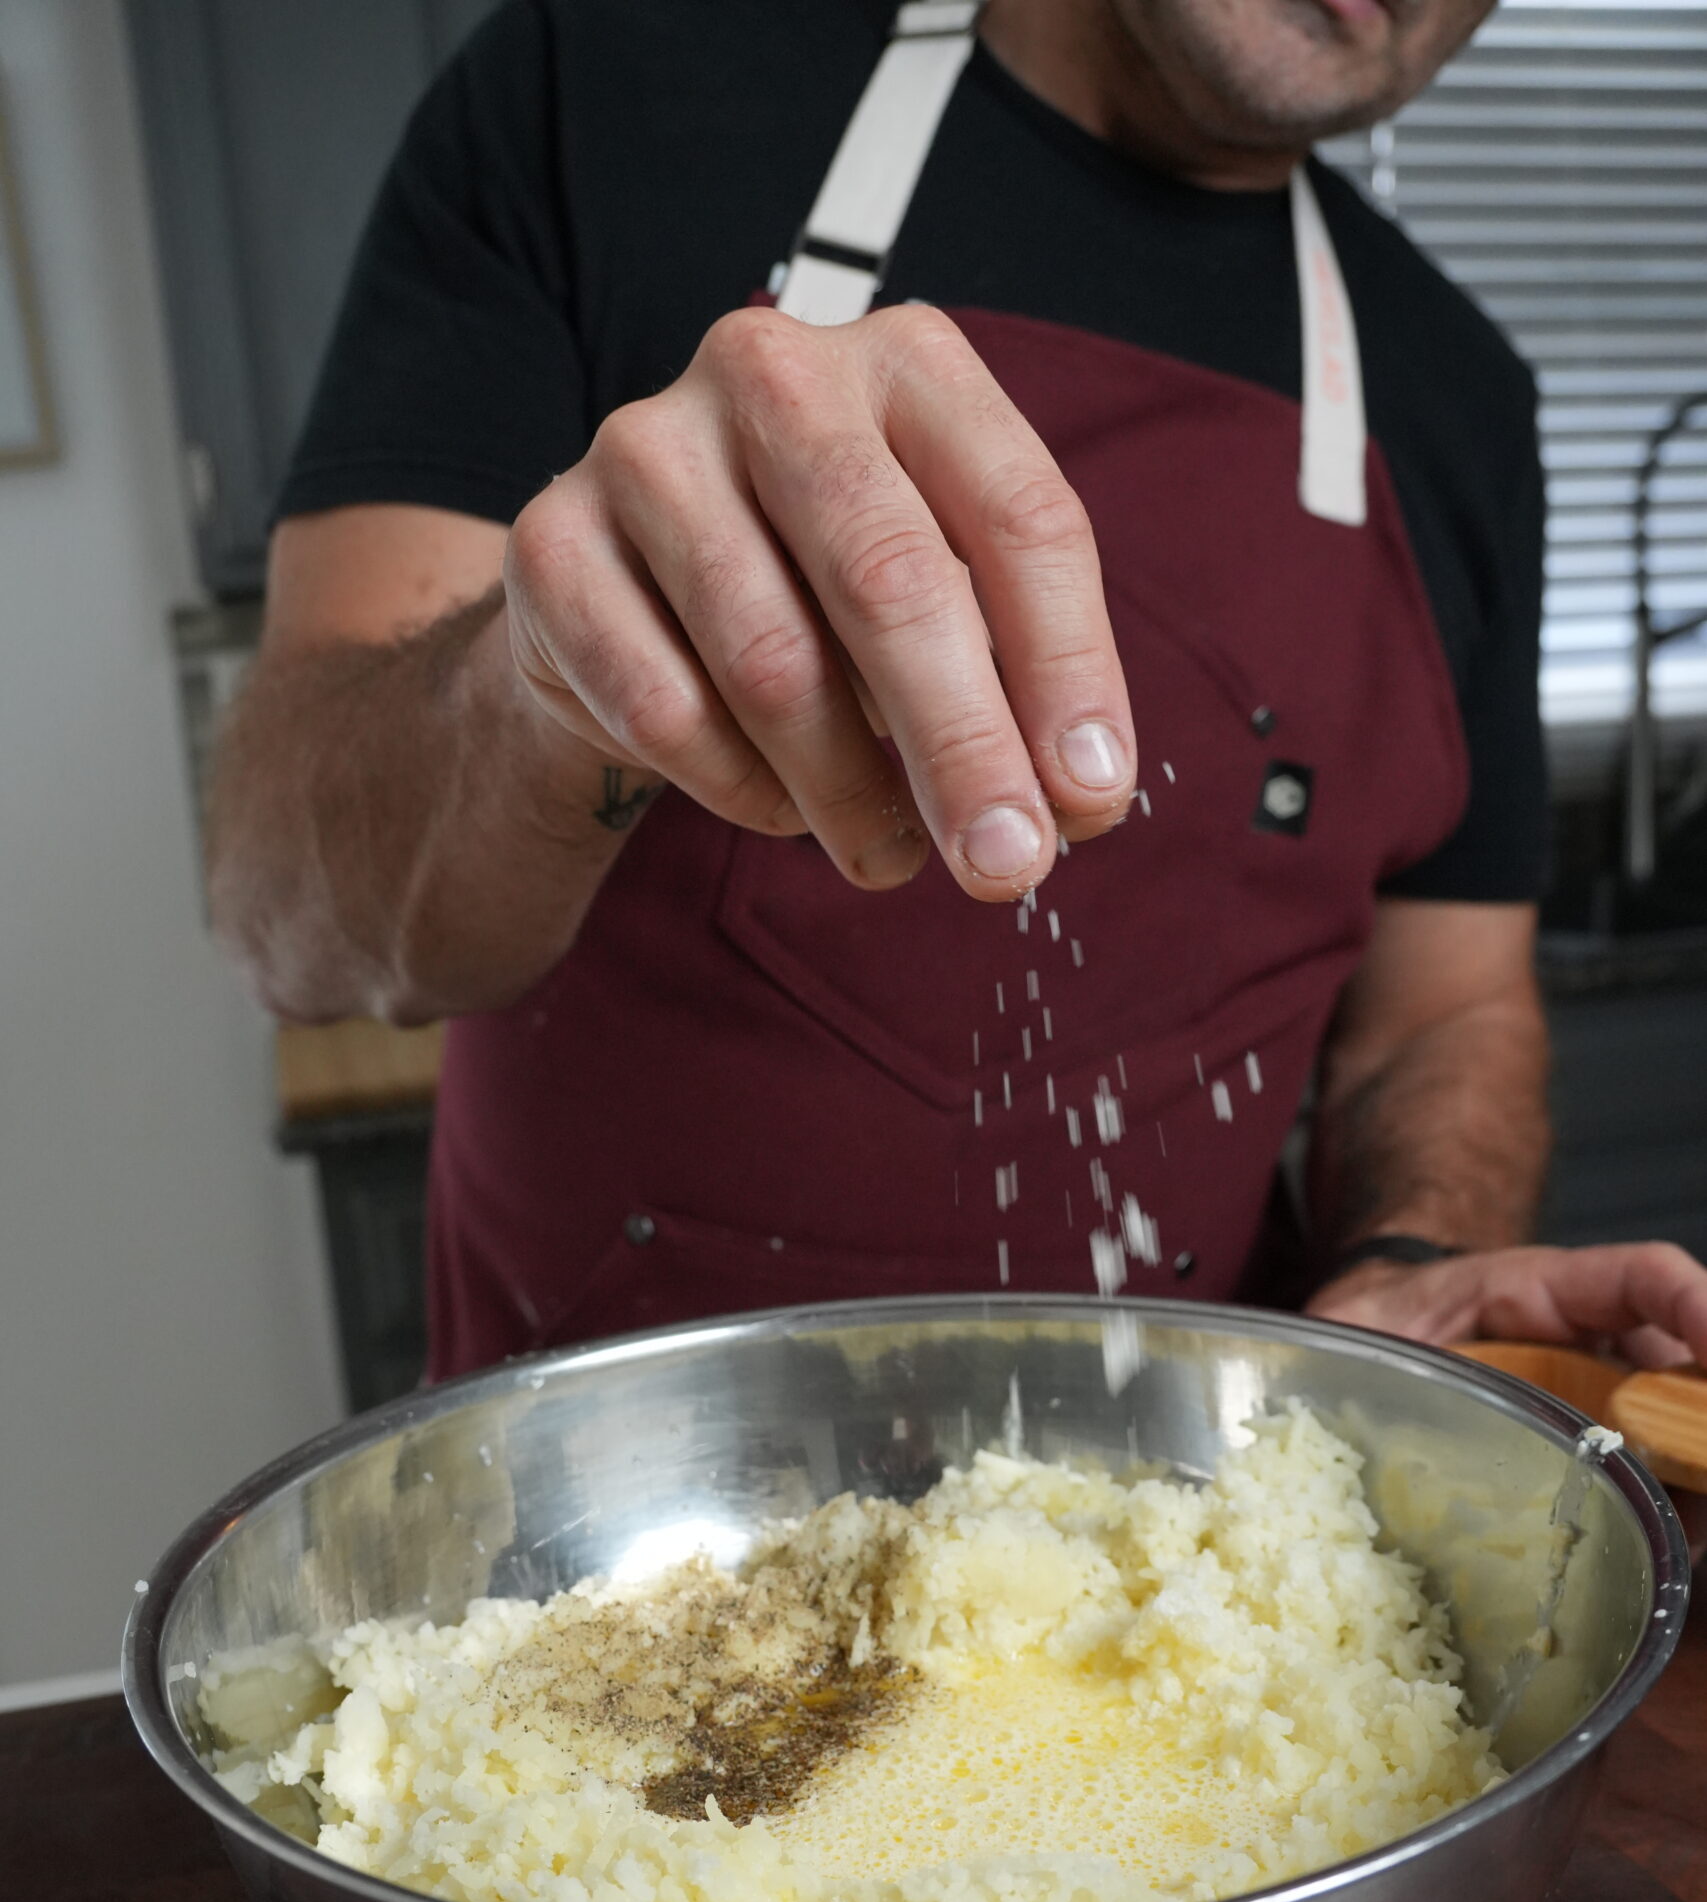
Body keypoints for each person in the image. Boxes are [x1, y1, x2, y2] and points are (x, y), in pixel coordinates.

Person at [209, 0, 1707, 1379]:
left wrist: (1414, 1254)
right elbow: (297, 920)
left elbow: (1446, 1012)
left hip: (1192, 1546)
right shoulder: (605, 95)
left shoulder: (1456, 399)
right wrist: (542, 690)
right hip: (616, 1540)